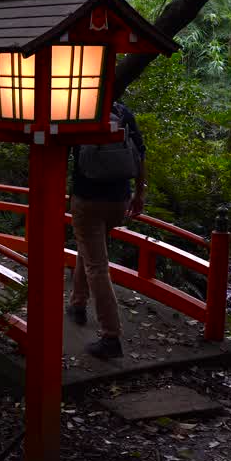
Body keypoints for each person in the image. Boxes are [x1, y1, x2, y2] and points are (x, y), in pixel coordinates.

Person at [66, 100, 146, 359]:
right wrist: (139, 193)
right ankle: (77, 303)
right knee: (90, 249)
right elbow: (140, 152)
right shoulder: (123, 111)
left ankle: (111, 336)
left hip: (87, 198)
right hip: (119, 199)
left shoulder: (76, 109)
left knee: (97, 265)